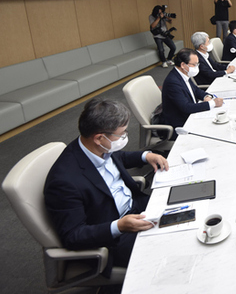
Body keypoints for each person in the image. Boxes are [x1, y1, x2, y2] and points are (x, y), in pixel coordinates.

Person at [44, 98, 169, 276]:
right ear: (99, 138)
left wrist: (146, 156)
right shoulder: (64, 181)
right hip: (114, 236)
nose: (125, 137)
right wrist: (118, 226)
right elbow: (73, 236)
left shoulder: (97, 147)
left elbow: (120, 157)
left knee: (181, 210)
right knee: (168, 253)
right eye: (122, 134)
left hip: (135, 207)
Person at [161, 48, 224, 137]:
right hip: (181, 124)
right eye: (194, 64)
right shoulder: (173, 82)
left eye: (197, 64)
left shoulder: (183, 74)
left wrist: (206, 96)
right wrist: (212, 103)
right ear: (183, 65)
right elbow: (186, 108)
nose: (196, 67)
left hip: (191, 115)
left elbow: (196, 90)